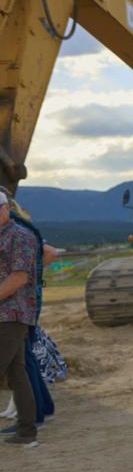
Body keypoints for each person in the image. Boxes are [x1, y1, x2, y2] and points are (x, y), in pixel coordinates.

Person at [0, 190, 39, 446]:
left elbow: (19, 277)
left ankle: (27, 432)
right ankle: (27, 433)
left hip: (11, 315)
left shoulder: (20, 236)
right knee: (16, 373)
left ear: (4, 209)